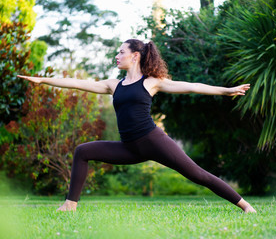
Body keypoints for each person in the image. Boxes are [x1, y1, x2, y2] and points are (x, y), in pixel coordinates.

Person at [18, 39, 256, 213]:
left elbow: (191, 85)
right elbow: (78, 83)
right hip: (129, 147)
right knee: (83, 151)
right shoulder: (114, 85)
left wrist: (226, 91)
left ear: (135, 56)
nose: (117, 56)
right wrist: (43, 80)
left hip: (153, 141)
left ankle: (245, 206)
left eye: (121, 52)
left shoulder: (151, 82)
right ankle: (70, 205)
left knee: (198, 175)